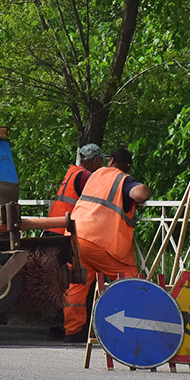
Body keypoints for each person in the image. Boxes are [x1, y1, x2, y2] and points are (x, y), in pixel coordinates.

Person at [62, 147, 151, 342]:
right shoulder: (122, 180)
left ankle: (73, 330)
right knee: (128, 279)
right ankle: (133, 326)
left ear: (110, 161)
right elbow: (140, 194)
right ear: (127, 167)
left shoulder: (95, 175)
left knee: (77, 283)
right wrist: (146, 188)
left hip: (75, 236)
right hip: (102, 242)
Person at [46, 143, 103, 338]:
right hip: (64, 232)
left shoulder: (72, 173)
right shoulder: (86, 177)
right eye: (100, 160)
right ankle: (68, 326)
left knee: (56, 280)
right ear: (94, 161)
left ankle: (55, 326)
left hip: (52, 229)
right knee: (68, 280)